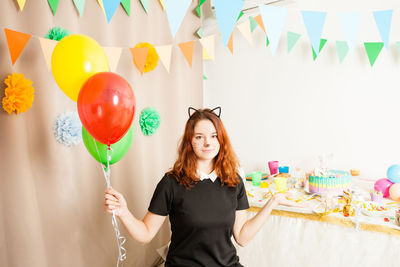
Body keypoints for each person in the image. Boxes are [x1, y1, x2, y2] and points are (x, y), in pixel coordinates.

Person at [104, 107, 303, 267]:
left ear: (221, 140)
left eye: (214, 136)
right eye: (199, 137)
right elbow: (145, 234)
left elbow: (242, 237)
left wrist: (273, 201)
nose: (207, 142)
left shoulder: (233, 182)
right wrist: (123, 212)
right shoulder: (171, 183)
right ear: (189, 142)